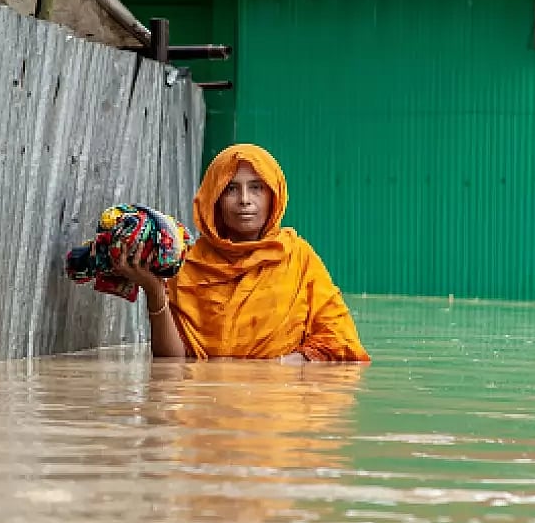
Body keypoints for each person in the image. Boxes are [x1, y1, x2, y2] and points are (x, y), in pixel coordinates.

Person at [113, 143, 370, 362]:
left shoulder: (298, 258)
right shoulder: (187, 264)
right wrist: (155, 292)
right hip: (207, 412)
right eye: (231, 188)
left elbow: (341, 344)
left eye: (257, 187)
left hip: (279, 411)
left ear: (274, 196)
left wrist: (270, 372)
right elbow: (171, 366)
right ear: (213, 199)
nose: (244, 199)